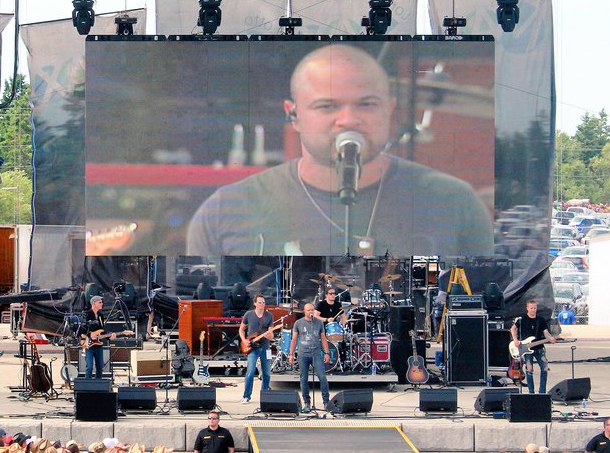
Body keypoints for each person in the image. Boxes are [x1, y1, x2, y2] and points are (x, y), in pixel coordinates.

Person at [186, 44, 493, 256]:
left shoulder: (455, 202)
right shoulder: (225, 210)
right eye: (327, 106)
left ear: (390, 110)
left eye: (366, 104)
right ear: (294, 115)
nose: (348, 119)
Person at [289, 302, 330, 412]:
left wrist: (327, 353)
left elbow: (323, 338)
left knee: (322, 377)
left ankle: (326, 402)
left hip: (316, 353)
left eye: (312, 309)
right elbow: (294, 339)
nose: (311, 311)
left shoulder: (319, 323)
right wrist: (291, 354)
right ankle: (307, 402)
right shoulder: (298, 323)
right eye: (308, 310)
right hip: (303, 354)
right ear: (304, 311)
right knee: (303, 379)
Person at [510, 298, 556, 394]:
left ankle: (542, 392)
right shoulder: (522, 319)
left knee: (545, 367)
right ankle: (531, 392)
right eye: (531, 308)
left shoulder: (540, 320)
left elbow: (546, 332)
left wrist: (550, 338)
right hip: (526, 348)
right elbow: (513, 329)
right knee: (529, 368)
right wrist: (515, 339)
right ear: (527, 308)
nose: (533, 310)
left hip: (539, 348)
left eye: (535, 308)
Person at [238, 294, 274, 404]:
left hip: (265, 346)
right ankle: (246, 396)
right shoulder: (248, 314)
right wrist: (244, 340)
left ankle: (265, 395)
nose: (262, 304)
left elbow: (271, 335)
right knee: (250, 372)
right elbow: (241, 329)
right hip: (252, 347)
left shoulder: (269, 316)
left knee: (266, 373)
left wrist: (269, 335)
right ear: (255, 303)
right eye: (260, 302)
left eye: (263, 302)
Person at [80, 295, 109, 379]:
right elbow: (82, 329)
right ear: (93, 303)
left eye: (102, 302)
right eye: (100, 302)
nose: (102, 304)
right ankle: (87, 384)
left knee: (100, 366)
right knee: (89, 367)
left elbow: (102, 329)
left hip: (98, 344)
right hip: (88, 344)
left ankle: (98, 384)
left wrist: (109, 336)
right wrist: (90, 334)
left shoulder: (100, 315)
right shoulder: (86, 314)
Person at [314, 287, 345, 365]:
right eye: (331, 294)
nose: (333, 295)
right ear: (326, 295)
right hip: (322, 327)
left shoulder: (338, 304)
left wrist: (343, 326)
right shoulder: (321, 304)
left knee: (343, 341)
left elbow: (343, 317)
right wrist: (326, 319)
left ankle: (341, 361)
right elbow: (315, 316)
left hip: (334, 328)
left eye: (334, 293)